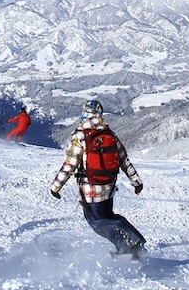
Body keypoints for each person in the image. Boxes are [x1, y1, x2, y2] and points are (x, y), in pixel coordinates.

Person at [50, 99, 146, 257]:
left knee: (96, 222)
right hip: (109, 186)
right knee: (109, 216)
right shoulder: (109, 134)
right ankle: (134, 242)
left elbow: (69, 165)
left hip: (91, 189)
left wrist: (56, 187)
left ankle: (125, 246)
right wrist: (136, 181)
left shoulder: (81, 136)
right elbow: (124, 160)